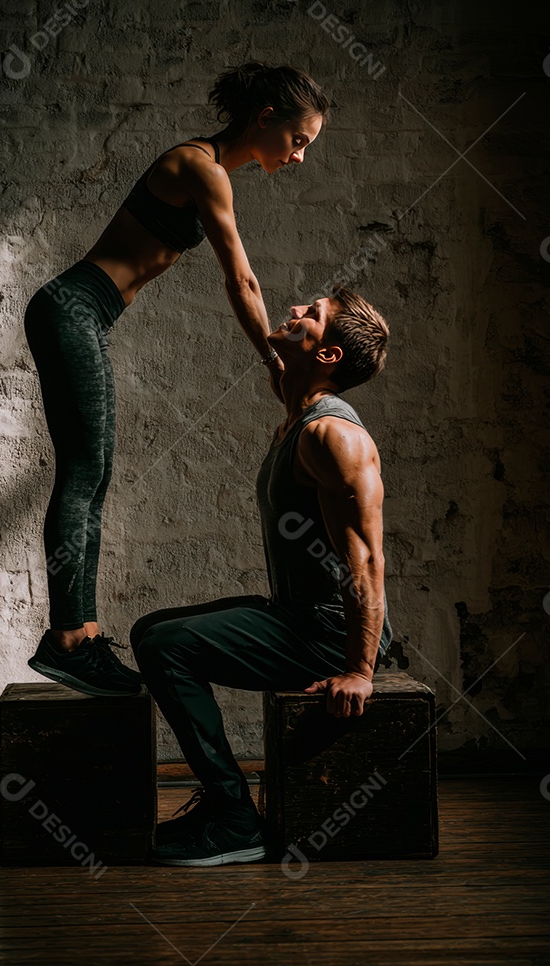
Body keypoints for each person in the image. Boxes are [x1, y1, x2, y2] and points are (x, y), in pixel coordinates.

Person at [24, 62, 330, 697]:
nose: (299, 157)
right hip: (73, 310)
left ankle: (79, 634)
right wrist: (273, 362)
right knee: (83, 476)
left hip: (85, 317)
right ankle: (67, 640)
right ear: (265, 119)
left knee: (94, 476)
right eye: (298, 141)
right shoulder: (200, 167)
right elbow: (240, 279)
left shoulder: (208, 170)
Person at [130, 285, 392, 866]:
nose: (296, 309)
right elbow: (253, 312)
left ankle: (234, 819)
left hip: (327, 633)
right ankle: (222, 809)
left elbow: (368, 560)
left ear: (326, 355)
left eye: (313, 316)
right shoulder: (294, 407)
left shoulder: (333, 436)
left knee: (169, 648)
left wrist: (358, 668)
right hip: (296, 615)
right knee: (151, 629)